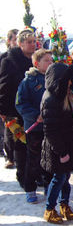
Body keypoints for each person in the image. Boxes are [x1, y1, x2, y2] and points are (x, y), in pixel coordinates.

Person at [40, 63, 73, 224]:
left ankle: (64, 204)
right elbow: (50, 130)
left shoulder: (65, 97)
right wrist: (61, 152)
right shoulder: (52, 100)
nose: (69, 83)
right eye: (66, 80)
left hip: (67, 144)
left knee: (65, 177)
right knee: (58, 178)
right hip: (57, 147)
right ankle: (49, 208)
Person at [16, 49, 53, 203]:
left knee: (50, 160)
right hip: (35, 127)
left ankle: (48, 186)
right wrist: (34, 115)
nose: (50, 63)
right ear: (37, 63)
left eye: (51, 60)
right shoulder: (28, 81)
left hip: (50, 127)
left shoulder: (53, 79)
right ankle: (30, 188)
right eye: (47, 60)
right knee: (34, 159)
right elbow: (20, 103)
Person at [0, 30, 34, 180]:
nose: (33, 45)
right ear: (20, 44)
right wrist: (3, 110)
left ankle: (34, 174)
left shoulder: (36, 59)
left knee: (34, 144)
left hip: (33, 109)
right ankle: (23, 176)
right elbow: (4, 86)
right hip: (15, 108)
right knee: (20, 144)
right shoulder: (9, 61)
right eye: (29, 42)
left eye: (34, 42)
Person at [0, 29, 18, 158]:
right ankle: (10, 156)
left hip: (21, 96)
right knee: (9, 128)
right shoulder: (4, 58)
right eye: (14, 39)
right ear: (9, 41)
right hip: (8, 96)